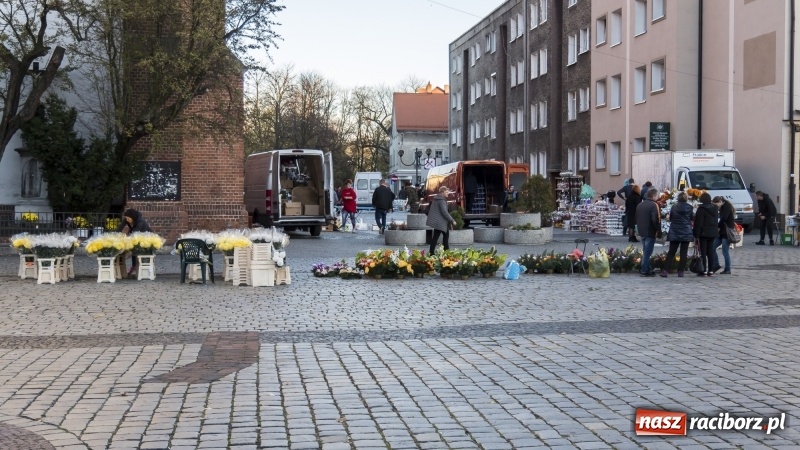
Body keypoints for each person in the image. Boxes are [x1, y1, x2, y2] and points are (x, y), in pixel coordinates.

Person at [660, 192, 694, 278]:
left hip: (675, 231)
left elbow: (671, 218)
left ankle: (666, 270)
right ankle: (681, 271)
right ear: (686, 198)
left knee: (671, 252)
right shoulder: (690, 207)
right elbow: (692, 218)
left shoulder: (674, 207)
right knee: (684, 252)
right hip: (686, 231)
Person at [117, 208, 152, 277]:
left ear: (133, 217)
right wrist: (114, 235)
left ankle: (137, 267)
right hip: (135, 236)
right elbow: (120, 228)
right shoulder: (128, 218)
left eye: (128, 219)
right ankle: (134, 266)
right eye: (126, 218)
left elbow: (135, 234)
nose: (127, 220)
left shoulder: (140, 222)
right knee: (132, 248)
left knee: (134, 248)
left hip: (145, 237)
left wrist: (128, 240)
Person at [635, 187, 661, 277]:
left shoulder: (640, 205)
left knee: (646, 251)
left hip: (642, 231)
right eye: (657, 196)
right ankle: (644, 270)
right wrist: (658, 229)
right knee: (648, 252)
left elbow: (636, 218)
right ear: (654, 196)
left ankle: (648, 268)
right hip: (650, 231)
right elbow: (655, 219)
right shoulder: (654, 205)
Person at [693, 192, 720, 277]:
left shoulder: (701, 209)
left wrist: (696, 234)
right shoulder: (715, 208)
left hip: (703, 233)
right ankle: (711, 270)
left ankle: (703, 270)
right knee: (710, 251)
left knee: (703, 252)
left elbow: (698, 223)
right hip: (712, 232)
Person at [427, 186, 456, 254]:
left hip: (438, 222)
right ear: (442, 192)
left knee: (436, 238)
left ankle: (432, 253)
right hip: (441, 222)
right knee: (444, 237)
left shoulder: (436, 199)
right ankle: (446, 253)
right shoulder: (442, 201)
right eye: (446, 192)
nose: (448, 193)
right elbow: (444, 212)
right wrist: (452, 220)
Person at [713, 196, 735, 274]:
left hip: (726, 232)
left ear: (720, 201)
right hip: (722, 232)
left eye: (716, 204)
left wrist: (718, 226)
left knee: (725, 251)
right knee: (712, 247)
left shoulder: (726, 207)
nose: (716, 206)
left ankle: (727, 269)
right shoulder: (723, 207)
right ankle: (716, 264)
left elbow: (724, 218)